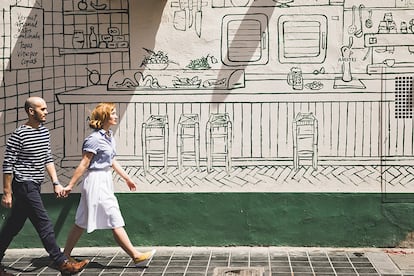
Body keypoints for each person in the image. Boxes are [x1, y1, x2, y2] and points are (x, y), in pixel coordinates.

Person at [0, 97, 89, 276]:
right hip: (24, 184)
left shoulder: (44, 132)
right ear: (31, 111)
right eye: (42, 109)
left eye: (46, 108)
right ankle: (62, 262)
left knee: (13, 226)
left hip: (35, 184)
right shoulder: (19, 134)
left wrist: (56, 182)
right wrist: (7, 192)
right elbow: (8, 164)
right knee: (44, 222)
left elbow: (47, 158)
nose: (46, 112)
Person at [62, 102, 155, 267]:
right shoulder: (93, 140)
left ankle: (64, 256)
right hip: (95, 181)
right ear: (104, 117)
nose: (116, 116)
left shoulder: (108, 136)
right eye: (113, 113)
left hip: (104, 179)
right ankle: (135, 255)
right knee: (113, 216)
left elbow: (111, 160)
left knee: (81, 221)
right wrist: (70, 185)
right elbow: (84, 164)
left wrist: (127, 178)